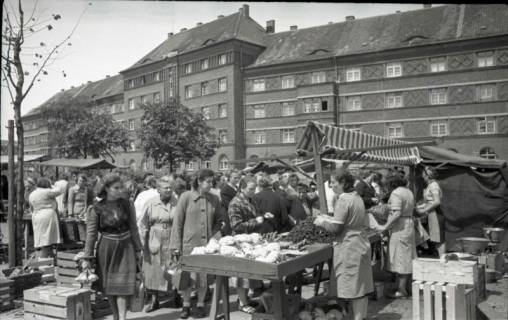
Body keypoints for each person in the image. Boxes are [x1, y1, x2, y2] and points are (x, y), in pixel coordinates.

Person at [314, 169, 373, 320]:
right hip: (360, 243)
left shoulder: (343, 199)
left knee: (354, 288)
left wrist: (322, 222)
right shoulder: (356, 196)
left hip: (349, 247)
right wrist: (329, 217)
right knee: (361, 286)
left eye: (334, 182)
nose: (331, 185)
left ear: (343, 183)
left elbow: (336, 228)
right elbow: (345, 220)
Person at [82, 174, 142, 320]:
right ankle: (116, 316)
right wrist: (87, 257)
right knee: (110, 286)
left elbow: (134, 227)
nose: (120, 190)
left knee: (123, 285)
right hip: (107, 249)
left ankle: (122, 317)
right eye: (116, 188)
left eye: (121, 187)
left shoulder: (128, 204)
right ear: (106, 188)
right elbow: (91, 234)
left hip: (126, 247)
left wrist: (138, 249)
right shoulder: (96, 207)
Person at [170, 169, 225, 319]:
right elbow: (178, 223)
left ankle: (200, 304)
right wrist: (175, 245)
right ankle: (186, 305)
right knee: (186, 277)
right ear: (199, 181)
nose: (211, 184)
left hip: (206, 245)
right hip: (188, 244)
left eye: (212, 181)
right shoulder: (185, 197)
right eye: (208, 181)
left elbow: (220, 220)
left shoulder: (215, 198)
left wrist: (214, 237)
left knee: (203, 277)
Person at [139, 176, 181, 312]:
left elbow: (182, 221)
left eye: (170, 187)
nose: (169, 190)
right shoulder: (150, 203)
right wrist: (142, 242)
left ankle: (176, 296)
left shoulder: (178, 202)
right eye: (165, 188)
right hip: (154, 237)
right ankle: (154, 300)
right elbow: (143, 223)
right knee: (153, 270)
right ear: (158, 189)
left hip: (171, 235)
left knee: (173, 266)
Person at [228, 176, 266, 314]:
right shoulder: (235, 203)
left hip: (251, 241)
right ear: (242, 188)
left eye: (254, 188)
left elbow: (256, 215)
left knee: (249, 274)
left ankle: (245, 299)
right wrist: (256, 222)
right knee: (241, 274)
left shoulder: (251, 200)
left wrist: (262, 217)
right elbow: (236, 225)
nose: (253, 191)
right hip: (240, 242)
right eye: (250, 188)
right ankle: (243, 303)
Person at [375, 174, 416, 298]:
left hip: (400, 227)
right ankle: (407, 286)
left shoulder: (396, 193)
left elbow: (396, 213)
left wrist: (385, 226)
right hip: (408, 224)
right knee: (407, 257)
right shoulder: (408, 192)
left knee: (401, 258)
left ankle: (401, 289)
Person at [28, 177, 62, 258]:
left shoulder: (32, 194)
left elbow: (31, 208)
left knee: (40, 240)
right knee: (47, 240)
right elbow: (59, 190)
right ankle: (43, 260)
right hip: (47, 216)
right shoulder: (46, 192)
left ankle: (47, 258)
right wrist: (52, 185)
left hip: (36, 216)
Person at [416, 166, 445, 256]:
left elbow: (436, 201)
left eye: (423, 174)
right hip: (432, 213)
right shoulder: (430, 185)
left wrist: (424, 209)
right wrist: (420, 207)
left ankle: (443, 261)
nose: (422, 175)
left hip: (435, 214)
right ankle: (442, 260)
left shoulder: (433, 185)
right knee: (436, 238)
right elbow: (430, 201)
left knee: (438, 239)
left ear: (427, 175)